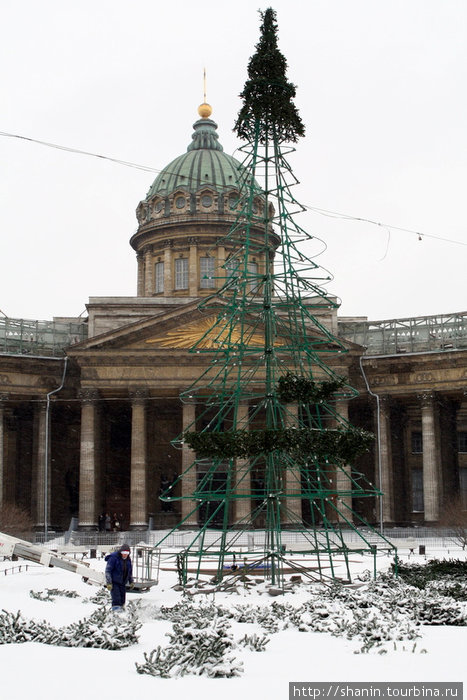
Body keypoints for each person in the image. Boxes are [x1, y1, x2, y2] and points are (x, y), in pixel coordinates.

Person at [105, 543, 134, 610]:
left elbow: (129, 571)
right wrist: (109, 582)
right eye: (123, 552)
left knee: (122, 600)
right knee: (116, 599)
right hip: (114, 582)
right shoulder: (114, 558)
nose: (125, 554)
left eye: (127, 553)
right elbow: (108, 570)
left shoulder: (128, 559)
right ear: (120, 552)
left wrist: (131, 581)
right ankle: (116, 614)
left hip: (123, 582)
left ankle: (122, 612)